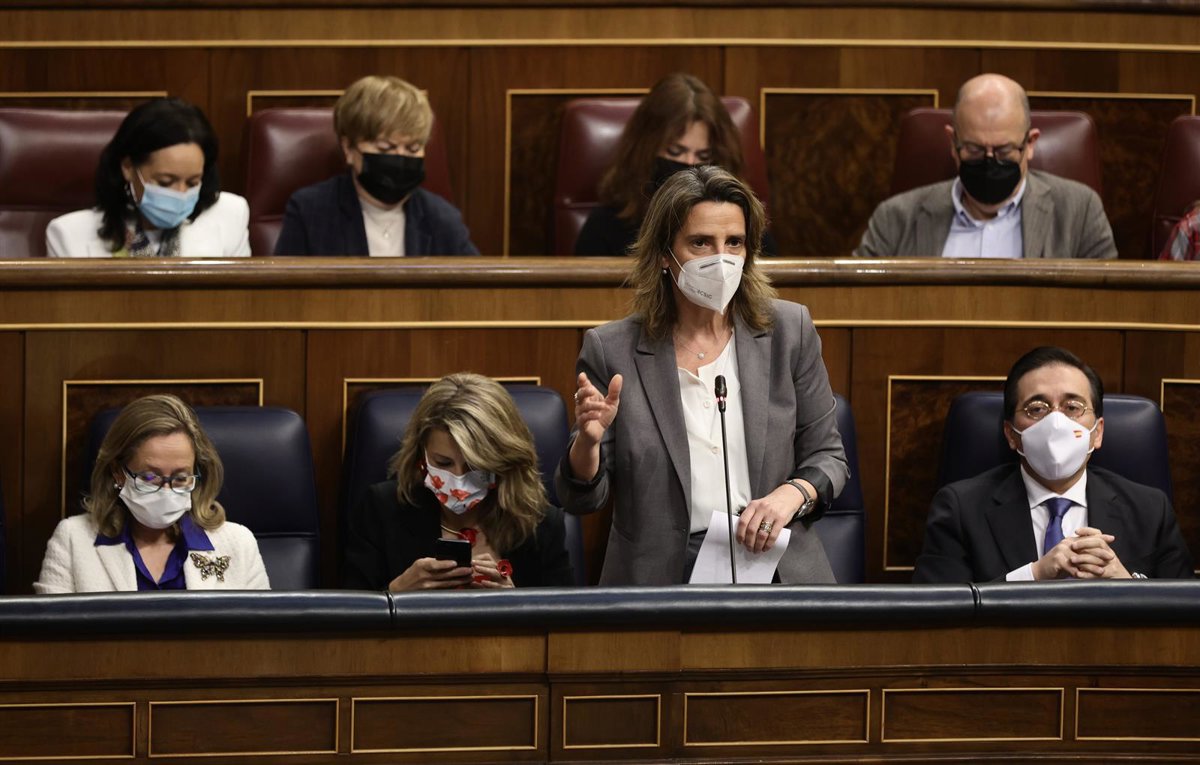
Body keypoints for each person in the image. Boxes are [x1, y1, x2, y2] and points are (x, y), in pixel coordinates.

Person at [555, 165, 848, 585]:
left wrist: (791, 496)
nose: (721, 258)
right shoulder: (612, 349)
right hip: (660, 580)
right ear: (664, 254)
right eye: (700, 242)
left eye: (734, 242)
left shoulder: (789, 331)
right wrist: (588, 443)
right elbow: (581, 498)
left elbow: (829, 458)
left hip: (774, 567)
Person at [914, 347, 1193, 583]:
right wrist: (1033, 575)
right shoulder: (960, 509)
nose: (1056, 422)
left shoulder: (1150, 510)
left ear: (1097, 432)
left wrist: (1127, 585)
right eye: (1037, 409)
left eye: (1073, 407)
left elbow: (1185, 612)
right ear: (1011, 435)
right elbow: (937, 613)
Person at [344, 373, 574, 590]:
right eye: (443, 463)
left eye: (474, 466)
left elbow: (566, 615)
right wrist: (395, 592)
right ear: (421, 456)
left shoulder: (540, 523)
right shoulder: (381, 509)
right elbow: (350, 612)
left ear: (502, 462)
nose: (458, 479)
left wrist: (514, 603)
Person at [854, 74, 1117, 260]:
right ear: (952, 142)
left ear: (1030, 143)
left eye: (1004, 151)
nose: (989, 162)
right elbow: (858, 303)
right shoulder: (895, 218)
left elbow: (1104, 308)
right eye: (974, 149)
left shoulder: (1079, 212)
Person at [34, 395, 270, 592]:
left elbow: (263, 630)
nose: (166, 491)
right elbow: (50, 631)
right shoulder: (73, 539)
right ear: (118, 473)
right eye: (150, 478)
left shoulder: (238, 543)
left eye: (180, 478)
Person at [574, 72, 777, 257]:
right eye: (675, 152)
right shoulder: (606, 223)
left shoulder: (742, 219)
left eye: (703, 155)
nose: (689, 164)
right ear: (646, 149)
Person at [274, 75, 478, 257]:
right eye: (385, 148)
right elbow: (286, 287)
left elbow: (475, 285)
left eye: (413, 149)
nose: (400, 158)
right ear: (348, 148)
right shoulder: (310, 212)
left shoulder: (442, 218)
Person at [46, 98, 250, 259]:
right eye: (165, 182)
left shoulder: (230, 215)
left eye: (192, 182)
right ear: (128, 168)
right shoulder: (68, 235)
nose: (181, 194)